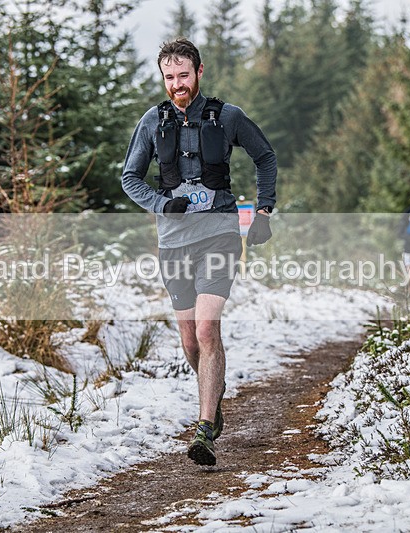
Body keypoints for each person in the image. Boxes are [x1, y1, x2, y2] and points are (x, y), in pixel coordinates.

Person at [121, 38, 277, 466]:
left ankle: (205, 427)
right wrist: (160, 203)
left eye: (183, 76)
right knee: (190, 339)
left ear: (199, 72)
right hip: (173, 242)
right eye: (169, 78)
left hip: (219, 234)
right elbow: (129, 178)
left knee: (208, 330)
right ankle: (215, 395)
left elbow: (265, 157)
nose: (177, 85)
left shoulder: (227, 116)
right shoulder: (152, 122)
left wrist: (263, 211)